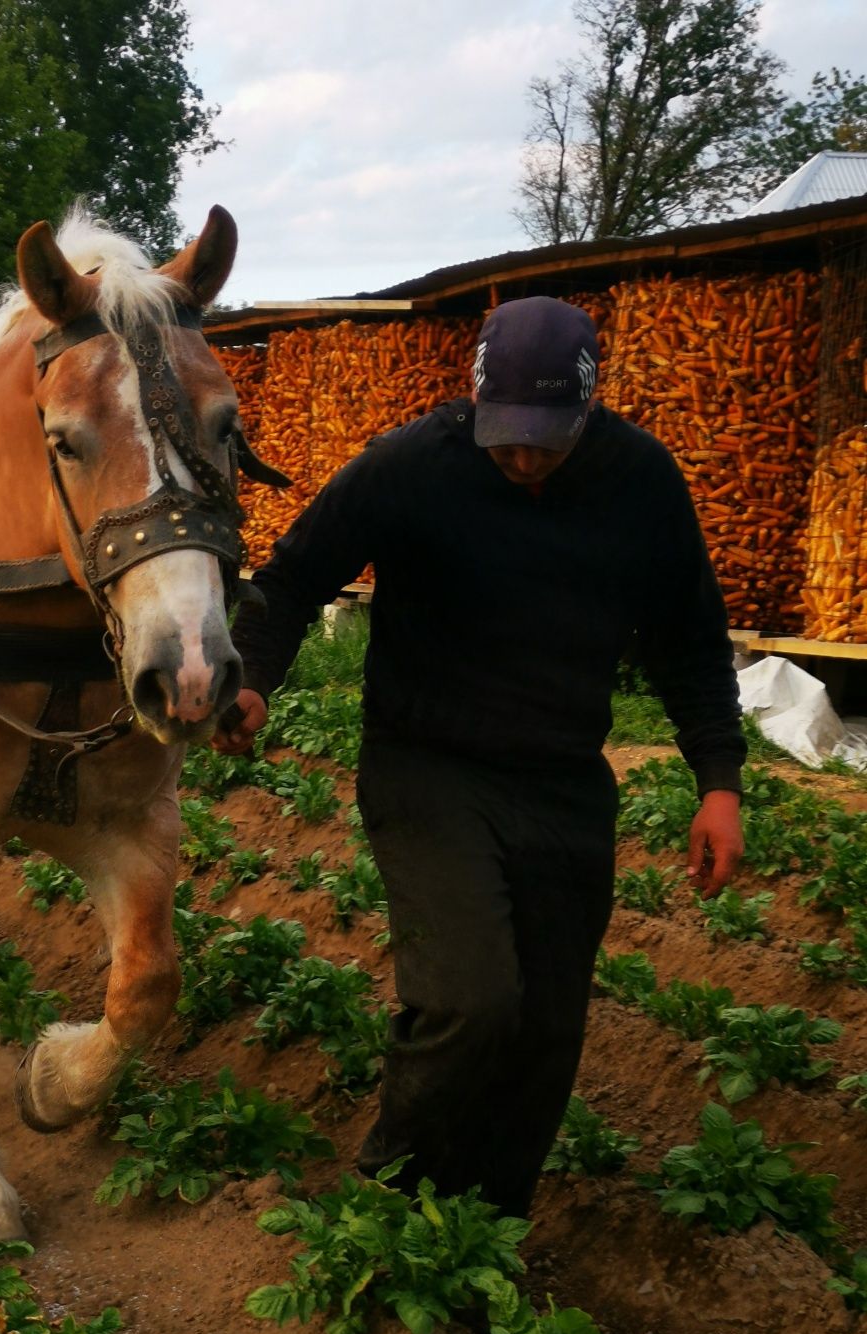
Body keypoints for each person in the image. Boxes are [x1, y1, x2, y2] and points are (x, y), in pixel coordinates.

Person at [216, 295, 745, 1222]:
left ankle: (486, 1229)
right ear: (476, 400)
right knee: (471, 998)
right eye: (508, 434)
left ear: (589, 408)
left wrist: (719, 782)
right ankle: (389, 1205)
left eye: (548, 437)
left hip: (562, 782)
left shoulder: (642, 484)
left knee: (547, 1029)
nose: (525, 456)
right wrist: (256, 679)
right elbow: (294, 577)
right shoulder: (413, 466)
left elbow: (690, 643)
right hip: (429, 766)